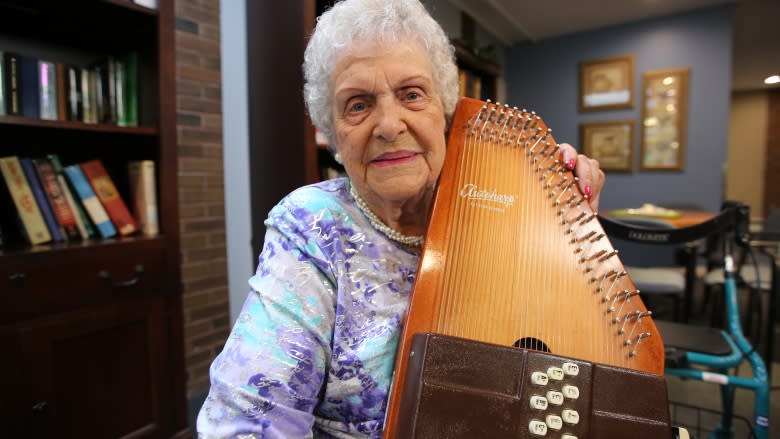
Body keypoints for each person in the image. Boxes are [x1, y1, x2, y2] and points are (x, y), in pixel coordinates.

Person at [197, 0, 605, 437]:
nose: (389, 125)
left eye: (411, 94)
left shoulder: (502, 203)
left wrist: (566, 228)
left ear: (446, 112)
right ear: (333, 134)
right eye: (358, 104)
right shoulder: (313, 226)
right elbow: (247, 417)